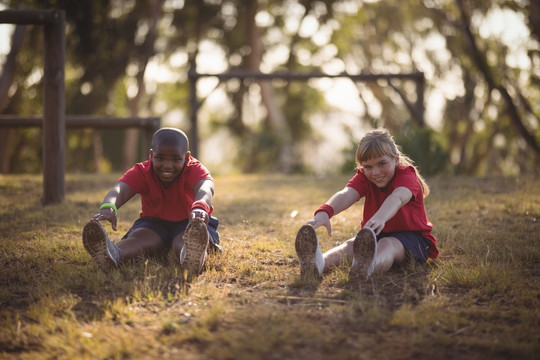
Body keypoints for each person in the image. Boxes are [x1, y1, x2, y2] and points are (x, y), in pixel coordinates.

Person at [295, 128, 438, 282]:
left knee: (387, 244)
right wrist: (325, 211)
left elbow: (397, 197)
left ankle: (368, 267)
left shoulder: (406, 175)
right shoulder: (365, 177)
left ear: (395, 159)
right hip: (375, 234)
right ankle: (317, 265)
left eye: (382, 163)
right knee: (351, 245)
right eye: (368, 167)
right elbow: (346, 194)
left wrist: (381, 217)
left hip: (414, 239)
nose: (375, 172)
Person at [82, 127, 220, 281]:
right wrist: (109, 206)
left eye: (176, 159)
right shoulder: (142, 171)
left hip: (190, 221)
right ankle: (112, 253)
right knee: (139, 238)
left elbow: (206, 187)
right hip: (154, 224)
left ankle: (192, 255)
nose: (167, 165)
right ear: (151, 155)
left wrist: (200, 205)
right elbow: (119, 189)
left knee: (183, 241)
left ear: (187, 158)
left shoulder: (194, 169)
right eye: (160, 158)